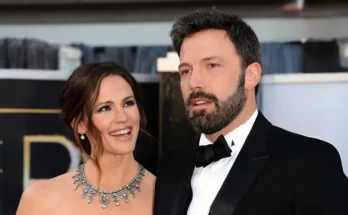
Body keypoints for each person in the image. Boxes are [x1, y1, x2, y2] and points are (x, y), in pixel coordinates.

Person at [154, 8, 348, 215]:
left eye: (212, 65)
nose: (194, 82)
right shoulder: (170, 166)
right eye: (186, 71)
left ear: (251, 75)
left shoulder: (310, 162)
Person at [16, 62, 156, 215]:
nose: (122, 117)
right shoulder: (41, 199)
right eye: (105, 108)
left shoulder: (167, 197)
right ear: (79, 124)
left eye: (128, 103)